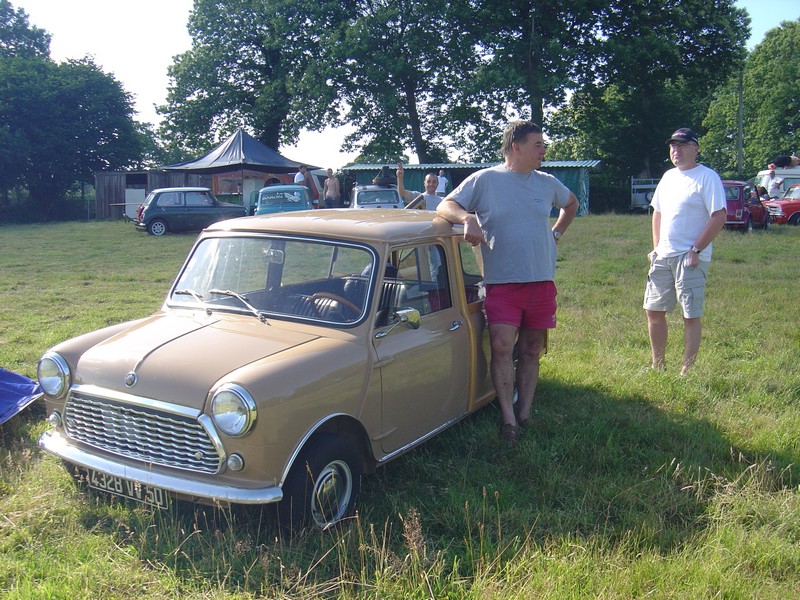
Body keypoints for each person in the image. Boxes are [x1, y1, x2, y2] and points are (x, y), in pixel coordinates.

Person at [436, 120, 578, 448]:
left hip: (541, 280)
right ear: (516, 146)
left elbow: (570, 204)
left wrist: (556, 233)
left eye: (543, 144)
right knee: (501, 346)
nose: (544, 150)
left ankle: (525, 413)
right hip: (502, 283)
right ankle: (508, 421)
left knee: (530, 348)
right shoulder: (486, 179)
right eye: (538, 144)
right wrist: (467, 219)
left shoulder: (547, 182)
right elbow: (447, 205)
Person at [644, 127, 726, 376]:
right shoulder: (668, 177)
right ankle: (658, 365)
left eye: (681, 145)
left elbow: (719, 215)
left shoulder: (707, 177)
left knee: (690, 314)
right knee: (653, 311)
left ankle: (686, 370)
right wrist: (656, 248)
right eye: (672, 146)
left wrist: (696, 249)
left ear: (695, 148)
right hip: (664, 256)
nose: (676, 150)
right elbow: (657, 212)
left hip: (690, 257)